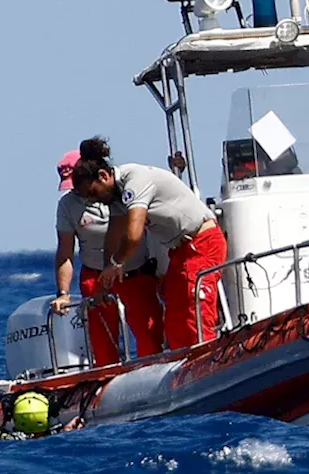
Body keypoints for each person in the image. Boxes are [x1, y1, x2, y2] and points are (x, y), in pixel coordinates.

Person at [73, 137, 227, 351]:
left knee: (195, 312)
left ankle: (206, 358)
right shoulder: (116, 197)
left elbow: (133, 235)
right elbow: (114, 234)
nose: (93, 201)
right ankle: (183, 366)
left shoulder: (135, 181)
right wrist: (104, 275)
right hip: (180, 251)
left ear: (103, 176)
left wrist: (117, 264)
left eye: (92, 193)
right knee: (174, 318)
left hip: (202, 243)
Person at [51, 149, 164, 365]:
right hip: (95, 275)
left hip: (134, 273)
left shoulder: (124, 191)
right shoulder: (67, 206)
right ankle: (107, 379)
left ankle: (151, 372)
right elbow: (65, 251)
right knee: (102, 342)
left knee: (149, 334)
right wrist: (63, 293)